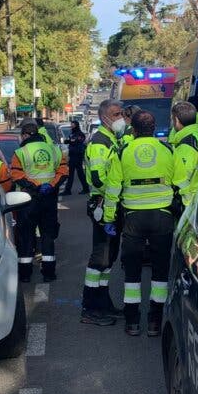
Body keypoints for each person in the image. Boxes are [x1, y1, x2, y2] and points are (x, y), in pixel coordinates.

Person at [103, 109, 177, 337]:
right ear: (154, 129)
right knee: (160, 271)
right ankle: (155, 321)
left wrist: (108, 218)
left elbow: (113, 187)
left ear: (132, 130)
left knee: (132, 272)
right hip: (163, 217)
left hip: (133, 218)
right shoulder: (168, 149)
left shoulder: (123, 150)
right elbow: (181, 183)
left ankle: (132, 321)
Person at [80, 99, 127, 326]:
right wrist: (118, 187)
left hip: (111, 204)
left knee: (109, 258)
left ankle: (103, 303)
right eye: (116, 114)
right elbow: (99, 178)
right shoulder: (100, 142)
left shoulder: (111, 140)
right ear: (104, 118)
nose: (121, 118)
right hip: (102, 204)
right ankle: (90, 308)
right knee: (100, 258)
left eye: (121, 114)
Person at [9, 118, 67, 282]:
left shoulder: (21, 152)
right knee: (48, 235)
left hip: (27, 200)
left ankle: (25, 274)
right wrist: (50, 185)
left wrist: (34, 186)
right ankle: (49, 273)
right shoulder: (54, 150)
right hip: (49, 199)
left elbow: (16, 174)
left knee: (26, 236)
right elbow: (63, 171)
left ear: (26, 135)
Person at [170, 101, 198, 209]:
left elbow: (181, 178)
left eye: (173, 119)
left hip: (188, 203)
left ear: (176, 120)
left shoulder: (187, 145)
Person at [62, 120, 87, 195]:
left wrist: (70, 141)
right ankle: (68, 190)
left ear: (76, 125)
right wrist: (69, 141)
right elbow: (70, 141)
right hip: (72, 155)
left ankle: (85, 189)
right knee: (72, 174)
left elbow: (77, 141)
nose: (71, 126)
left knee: (79, 174)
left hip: (78, 156)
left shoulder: (80, 134)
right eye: (71, 125)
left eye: (73, 125)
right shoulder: (72, 134)